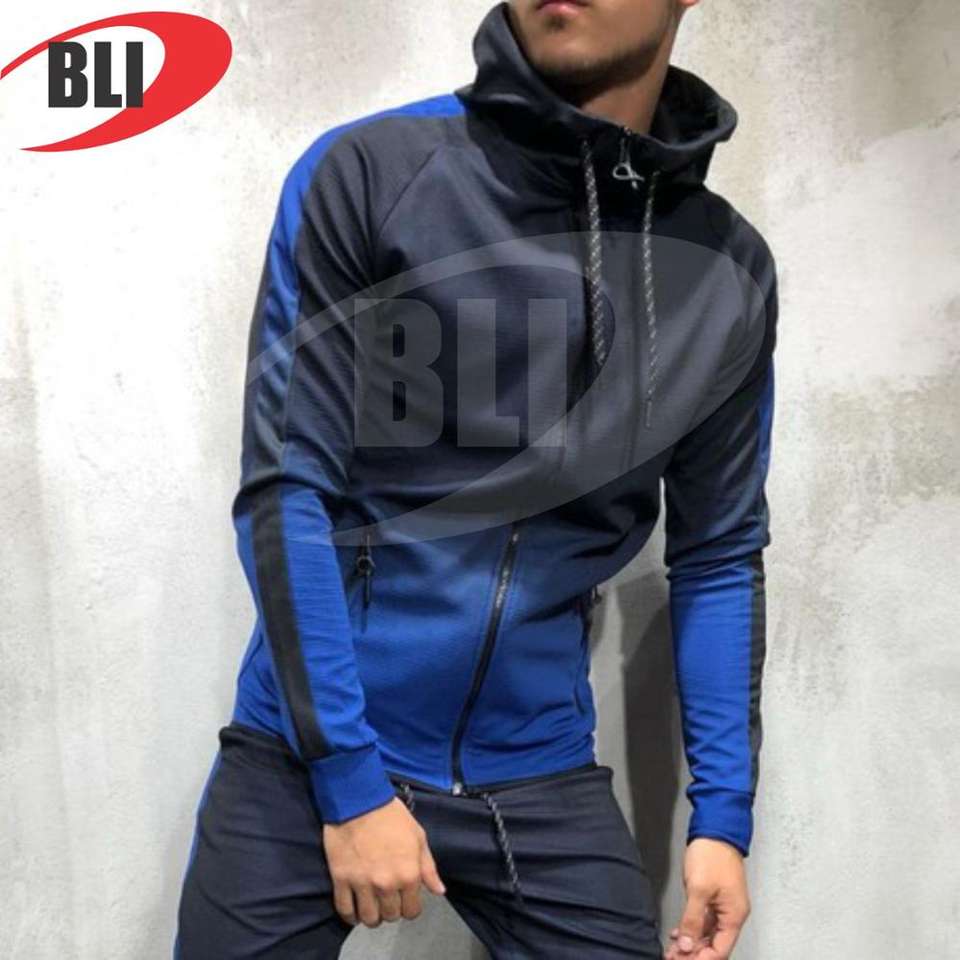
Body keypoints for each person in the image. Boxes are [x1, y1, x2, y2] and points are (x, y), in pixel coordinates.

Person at [173, 0, 778, 957]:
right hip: (309, 750)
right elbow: (288, 487)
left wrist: (722, 820)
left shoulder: (726, 271)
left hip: (537, 763)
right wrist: (349, 782)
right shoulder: (372, 174)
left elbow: (718, 555)